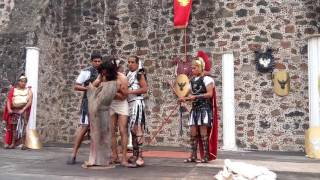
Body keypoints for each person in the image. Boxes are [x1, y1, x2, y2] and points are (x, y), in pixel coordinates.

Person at [93, 58, 133, 167]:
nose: (103, 74)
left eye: (105, 72)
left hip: (121, 103)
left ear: (110, 71)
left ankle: (124, 158)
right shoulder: (103, 75)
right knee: (111, 131)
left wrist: (112, 91)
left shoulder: (122, 78)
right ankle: (115, 156)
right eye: (102, 72)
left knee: (123, 130)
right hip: (110, 103)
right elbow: (93, 87)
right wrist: (98, 84)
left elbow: (124, 96)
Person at [179, 55, 217, 163]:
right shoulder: (192, 81)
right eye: (192, 67)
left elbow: (209, 94)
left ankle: (205, 156)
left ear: (200, 68)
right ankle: (193, 155)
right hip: (195, 110)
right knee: (193, 133)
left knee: (203, 133)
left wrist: (196, 97)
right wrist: (183, 99)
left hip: (204, 109)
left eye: (194, 67)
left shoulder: (207, 79)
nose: (192, 69)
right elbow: (188, 95)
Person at [82, 59, 118, 169]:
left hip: (99, 113)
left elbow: (96, 100)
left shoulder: (108, 85)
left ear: (104, 72)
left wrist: (93, 87)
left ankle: (98, 160)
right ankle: (100, 159)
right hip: (103, 113)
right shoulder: (112, 84)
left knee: (99, 137)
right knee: (103, 137)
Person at [67, 53, 102, 164]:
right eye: (95, 61)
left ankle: (96, 156)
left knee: (98, 131)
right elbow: (76, 86)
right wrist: (88, 89)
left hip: (101, 103)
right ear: (91, 61)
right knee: (84, 128)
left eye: (99, 61)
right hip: (88, 102)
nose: (97, 63)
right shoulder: (86, 71)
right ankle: (73, 153)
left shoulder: (104, 71)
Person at [126, 56, 148, 167]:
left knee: (138, 129)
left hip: (137, 103)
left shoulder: (139, 73)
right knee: (133, 130)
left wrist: (130, 91)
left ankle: (140, 156)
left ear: (137, 63)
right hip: (129, 104)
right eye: (129, 62)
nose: (130, 64)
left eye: (132, 62)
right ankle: (135, 154)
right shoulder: (128, 74)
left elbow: (144, 89)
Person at [2, 74, 33, 149]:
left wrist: (23, 109)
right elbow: (9, 100)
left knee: (23, 126)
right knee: (13, 128)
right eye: (22, 81)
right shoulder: (13, 90)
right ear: (19, 82)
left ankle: (24, 144)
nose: (23, 83)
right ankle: (13, 144)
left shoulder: (29, 91)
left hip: (23, 110)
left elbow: (29, 101)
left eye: (25, 82)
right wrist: (9, 109)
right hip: (14, 110)